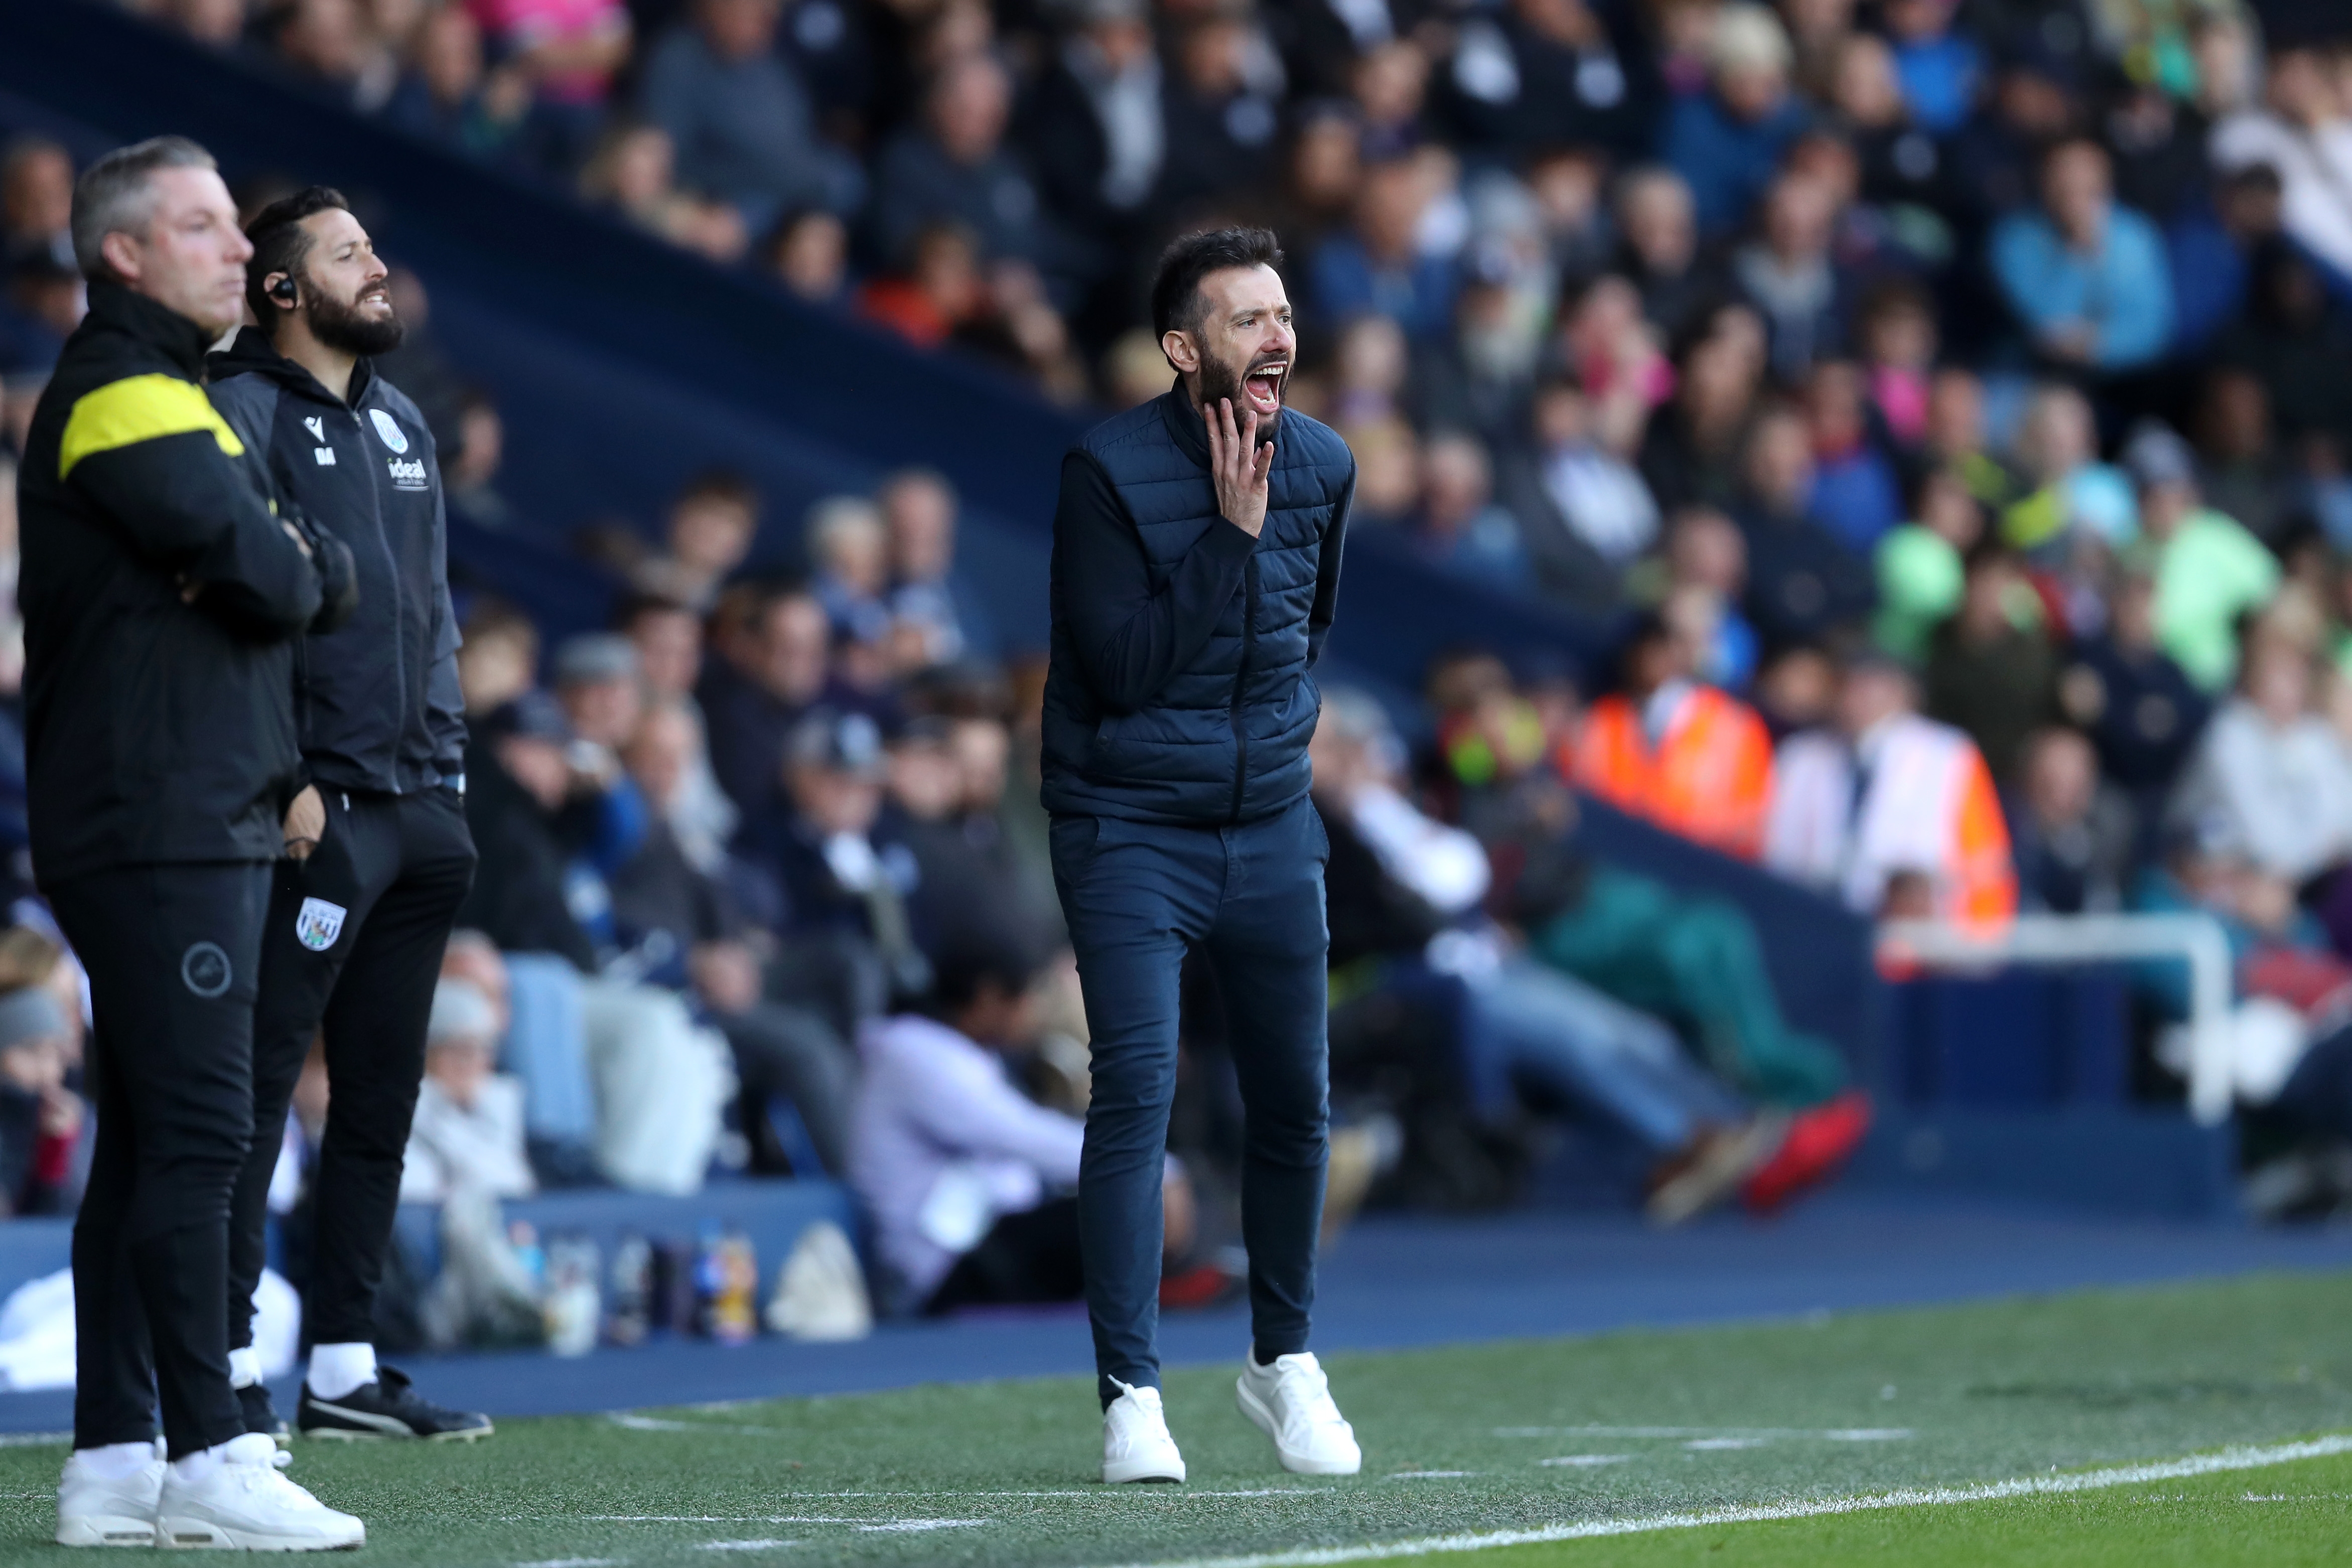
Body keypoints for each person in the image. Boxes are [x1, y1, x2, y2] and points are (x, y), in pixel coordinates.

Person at [21, 137, 362, 1550]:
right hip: (156, 817)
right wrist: (276, 560)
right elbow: (280, 567)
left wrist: (277, 560)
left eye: (234, 226)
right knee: (212, 1134)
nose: (239, 248)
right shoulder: (121, 393)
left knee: (154, 1135)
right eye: (204, 226)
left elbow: (291, 567)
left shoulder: (176, 393)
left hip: (171, 810)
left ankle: (112, 1455)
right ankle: (213, 1443)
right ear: (121, 254)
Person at [1041, 227, 1358, 1483]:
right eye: (1245, 319)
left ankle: (1281, 1362)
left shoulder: (1327, 465)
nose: (1276, 336)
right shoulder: (1105, 469)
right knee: (1136, 1094)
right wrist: (1227, 535)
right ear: (1183, 351)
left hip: (1272, 824)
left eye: (1283, 315)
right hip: (1127, 826)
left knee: (1295, 1101)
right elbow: (1118, 672)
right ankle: (1131, 1394)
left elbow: (1304, 631)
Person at [206, 186, 490, 1446]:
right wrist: (286, 773)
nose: (379, 270)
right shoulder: (239, 412)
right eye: (348, 255)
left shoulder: (408, 421)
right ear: (280, 289)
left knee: (381, 1097)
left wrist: (452, 781)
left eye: (375, 247)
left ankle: (343, 1361)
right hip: (315, 811)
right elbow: (229, 617)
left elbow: (431, 610)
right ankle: (216, 1359)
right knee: (258, 1089)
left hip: (419, 806)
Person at [853, 929, 1200, 1316]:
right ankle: (1173, 1295)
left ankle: (1173, 1290)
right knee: (1134, 1203)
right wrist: (1152, 1166)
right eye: (1029, 995)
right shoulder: (914, 1051)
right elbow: (1018, 1136)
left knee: (1137, 1195)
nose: (1035, 1010)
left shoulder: (968, 1053)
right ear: (987, 996)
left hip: (989, 1236)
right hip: (944, 1266)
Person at [1764, 650, 2016, 925]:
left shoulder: (1948, 756)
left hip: (1914, 941)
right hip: (1810, 929)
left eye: (1871, 683)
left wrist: (1971, 953)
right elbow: (1769, 856)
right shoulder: (1800, 757)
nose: (1857, 695)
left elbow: (1986, 867)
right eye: (1849, 682)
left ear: (1902, 693)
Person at [1570, 611, 1775, 860]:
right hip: (1608, 858)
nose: (1661, 654)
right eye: (1657, 642)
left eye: (1677, 642)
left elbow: (1749, 826)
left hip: (1695, 877)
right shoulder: (1604, 718)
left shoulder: (1738, 728)